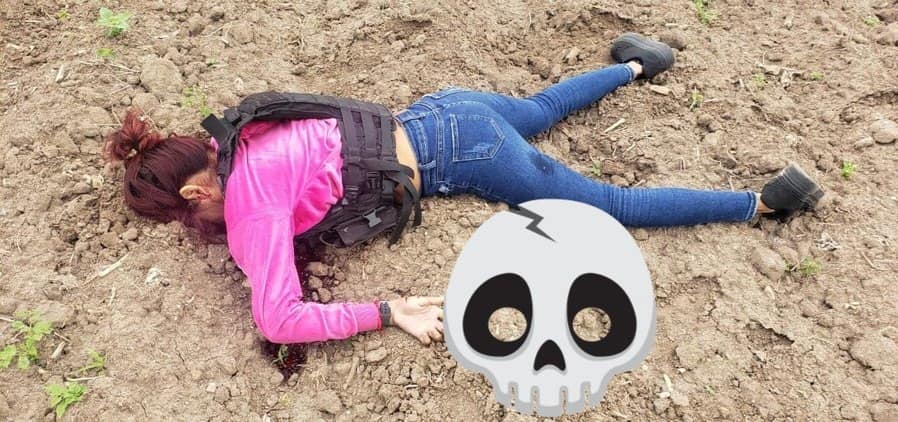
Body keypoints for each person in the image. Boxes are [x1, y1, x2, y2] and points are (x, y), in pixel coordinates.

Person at [103, 33, 823, 347]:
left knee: (610, 206)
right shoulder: (242, 131)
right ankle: (638, 64)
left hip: (462, 154)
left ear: (193, 195)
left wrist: (385, 311)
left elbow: (279, 320)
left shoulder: (248, 203)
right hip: (444, 109)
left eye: (176, 215)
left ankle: (760, 203)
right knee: (541, 107)